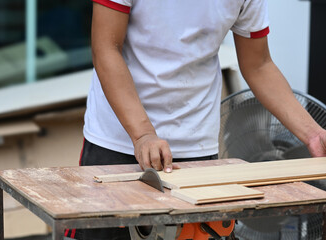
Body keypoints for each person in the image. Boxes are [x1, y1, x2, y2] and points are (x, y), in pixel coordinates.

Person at [65, 0, 326, 239]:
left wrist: (313, 134)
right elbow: (106, 48)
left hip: (197, 152)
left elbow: (258, 64)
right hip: (117, 143)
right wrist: (143, 134)